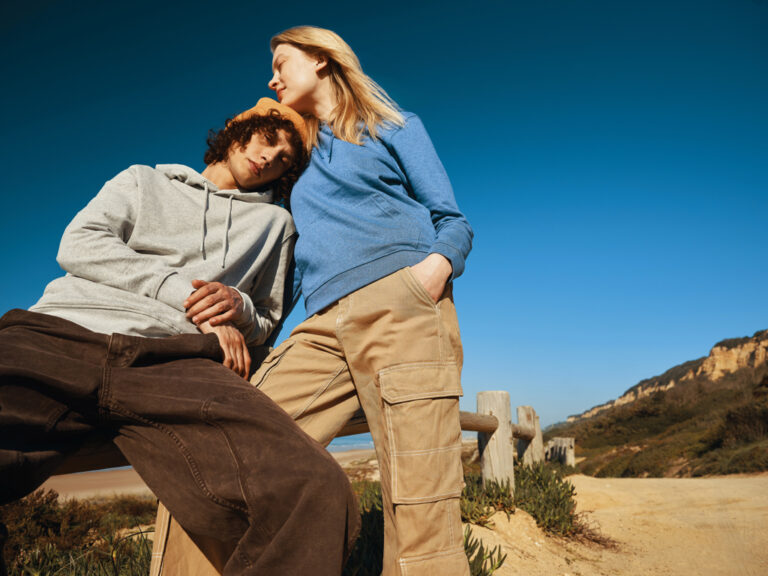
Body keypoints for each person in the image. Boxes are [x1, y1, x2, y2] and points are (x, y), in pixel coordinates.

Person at [0, 98, 360, 576]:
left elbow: (268, 319)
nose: (271, 158)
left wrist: (239, 309)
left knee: (313, 489)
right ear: (238, 129)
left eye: (285, 161)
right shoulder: (141, 180)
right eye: (268, 140)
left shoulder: (276, 225)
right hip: (58, 335)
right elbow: (80, 243)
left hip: (178, 363)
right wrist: (180, 293)